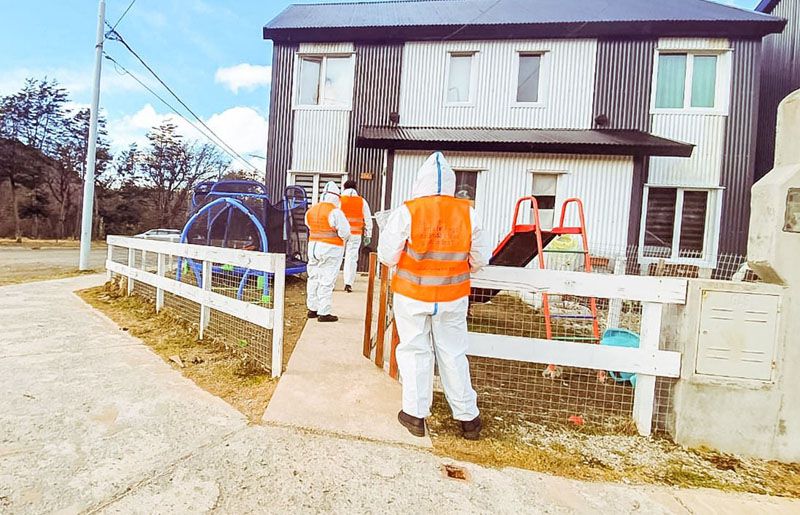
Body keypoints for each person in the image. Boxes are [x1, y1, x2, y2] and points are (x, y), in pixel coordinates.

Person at [378, 152, 491, 440]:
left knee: (415, 351)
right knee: (453, 353)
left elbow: (387, 256)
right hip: (453, 296)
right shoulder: (468, 213)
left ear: (420, 181)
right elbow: (480, 258)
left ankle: (415, 415)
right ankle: (468, 419)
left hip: (412, 295)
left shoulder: (408, 211)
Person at [305, 181, 351, 323]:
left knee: (313, 277)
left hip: (313, 247)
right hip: (330, 249)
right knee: (327, 280)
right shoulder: (335, 211)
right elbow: (345, 232)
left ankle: (312, 309)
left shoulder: (311, 210)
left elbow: (308, 225)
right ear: (337, 197)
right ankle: (324, 312)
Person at [340, 180, 373, 293]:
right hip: (355, 234)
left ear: (344, 188)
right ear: (355, 188)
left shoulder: (339, 200)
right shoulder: (362, 201)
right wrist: (368, 235)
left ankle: (331, 282)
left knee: (337, 257)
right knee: (351, 258)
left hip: (341, 234)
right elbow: (368, 218)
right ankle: (348, 284)